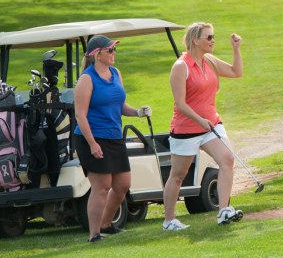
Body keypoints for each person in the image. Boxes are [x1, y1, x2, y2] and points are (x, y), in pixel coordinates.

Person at [162, 22, 244, 231]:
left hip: (211, 124)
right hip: (186, 129)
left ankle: (224, 210)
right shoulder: (181, 66)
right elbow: (180, 103)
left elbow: (236, 72)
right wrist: (199, 120)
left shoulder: (210, 61)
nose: (213, 40)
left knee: (227, 159)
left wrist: (236, 49)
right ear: (195, 40)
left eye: (213, 36)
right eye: (208, 37)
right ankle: (169, 220)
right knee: (178, 175)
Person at [73, 35, 152, 243]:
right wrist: (92, 144)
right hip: (91, 137)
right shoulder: (86, 79)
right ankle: (94, 234)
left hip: (114, 136)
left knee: (123, 184)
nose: (114, 53)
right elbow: (80, 115)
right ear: (97, 55)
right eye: (110, 50)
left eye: (114, 49)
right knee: (102, 186)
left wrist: (138, 112)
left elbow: (120, 106)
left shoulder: (116, 73)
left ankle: (107, 224)